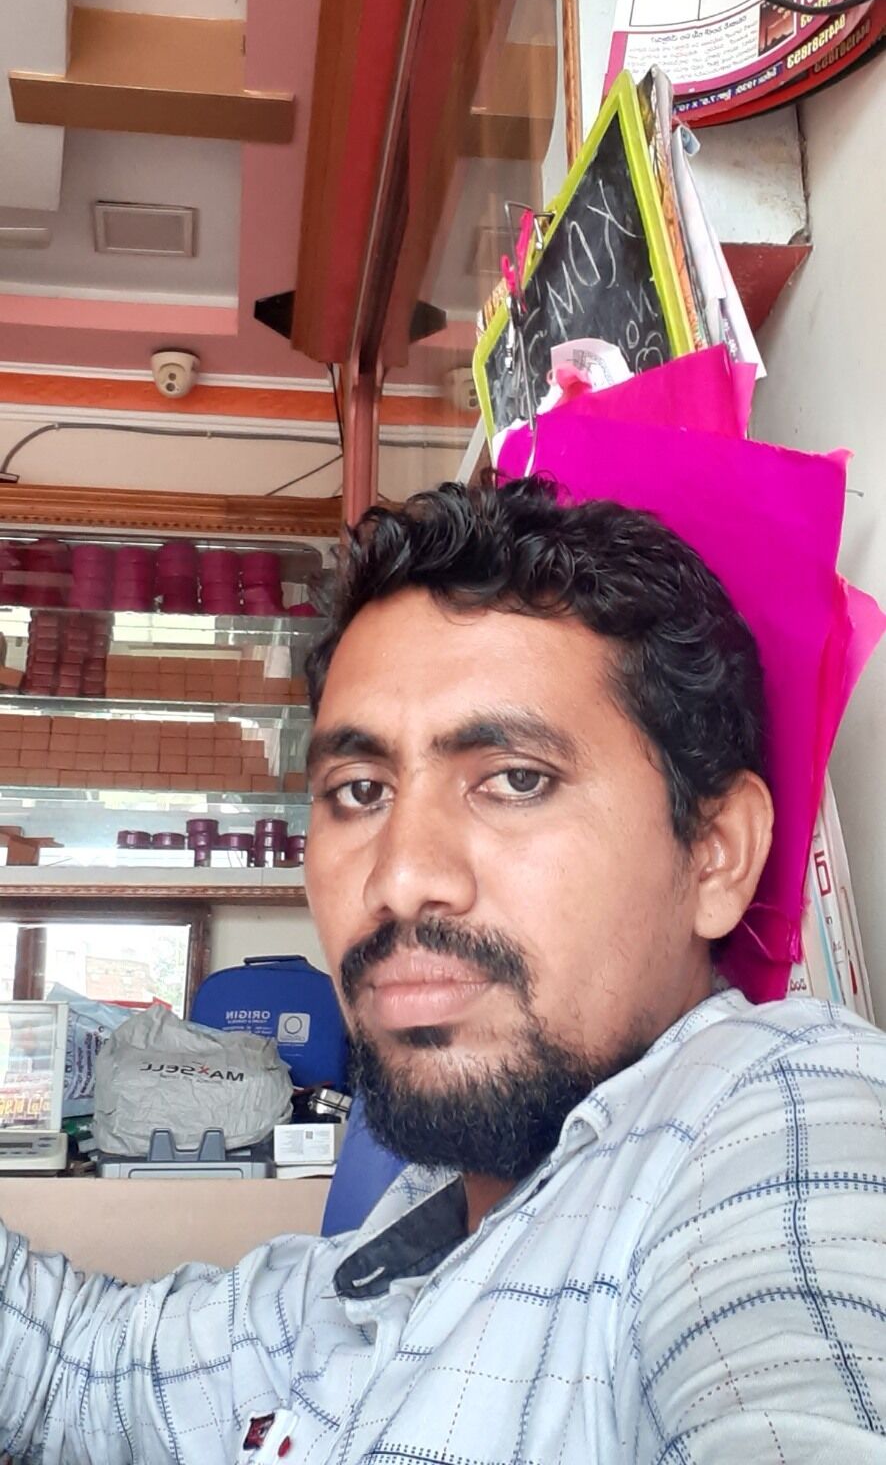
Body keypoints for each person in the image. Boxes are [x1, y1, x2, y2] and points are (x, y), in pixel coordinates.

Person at [0, 478, 884, 1464]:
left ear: (715, 855)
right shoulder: (369, 1264)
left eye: (515, 779)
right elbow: (68, 1371)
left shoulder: (780, 1118)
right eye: (360, 790)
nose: (398, 876)